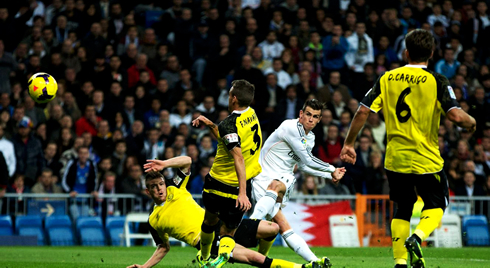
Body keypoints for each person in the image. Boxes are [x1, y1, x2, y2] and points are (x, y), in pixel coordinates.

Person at [340, 29, 477, 268]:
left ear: (406, 52)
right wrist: (472, 122)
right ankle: (418, 237)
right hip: (426, 159)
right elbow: (456, 116)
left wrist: (349, 143)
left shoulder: (386, 78)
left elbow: (363, 111)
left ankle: (400, 262)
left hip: (395, 159)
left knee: (402, 208)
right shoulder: (437, 81)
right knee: (437, 203)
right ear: (432, 54)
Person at [128, 156, 323, 268]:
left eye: (161, 184)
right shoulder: (154, 220)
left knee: (273, 228)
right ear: (148, 191)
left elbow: (187, 161)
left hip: (223, 225)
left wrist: (165, 164)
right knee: (254, 258)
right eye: (154, 187)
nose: (160, 189)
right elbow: (163, 247)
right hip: (208, 242)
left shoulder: (174, 188)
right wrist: (144, 267)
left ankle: (261, 260)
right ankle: (303, 267)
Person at [249, 99, 345, 265]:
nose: (310, 119)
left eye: (315, 116)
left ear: (319, 120)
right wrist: (331, 169)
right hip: (263, 177)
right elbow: (308, 160)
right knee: (276, 206)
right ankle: (249, 226)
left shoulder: (311, 138)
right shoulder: (290, 127)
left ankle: (315, 262)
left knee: (281, 225)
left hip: (282, 179)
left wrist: (330, 176)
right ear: (301, 114)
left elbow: (302, 166)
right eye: (308, 114)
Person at [191, 80, 262, 267]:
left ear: (234, 98)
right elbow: (229, 139)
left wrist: (242, 193)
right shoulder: (252, 114)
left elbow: (237, 156)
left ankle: (204, 257)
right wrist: (212, 125)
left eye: (230, 94)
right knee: (228, 231)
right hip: (240, 183)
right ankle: (221, 258)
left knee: (209, 220)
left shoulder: (229, 123)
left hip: (218, 183)